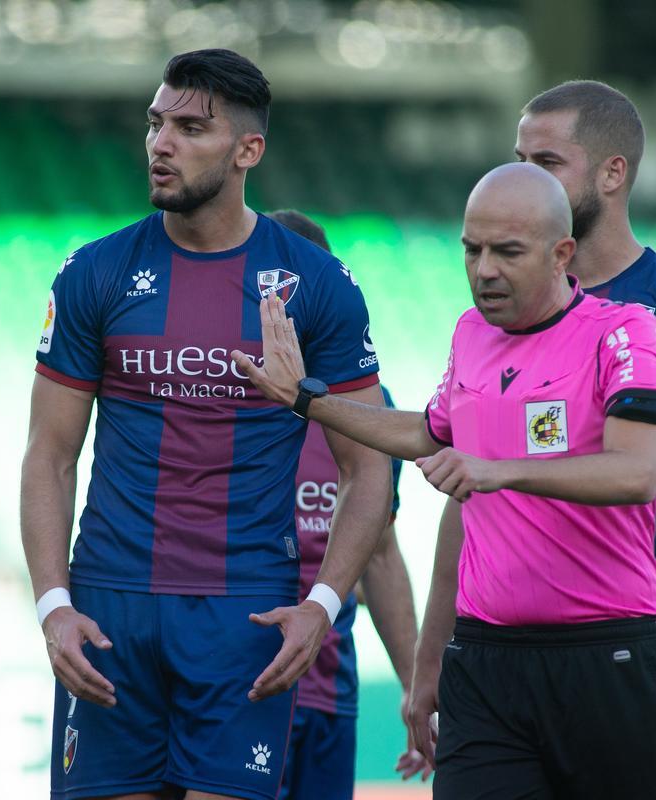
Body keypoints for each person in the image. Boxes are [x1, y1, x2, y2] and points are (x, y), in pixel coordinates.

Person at [234, 162, 656, 799]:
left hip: (606, 656)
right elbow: (428, 430)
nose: (484, 270)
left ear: (562, 254)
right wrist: (306, 399)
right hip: (485, 662)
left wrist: (494, 469)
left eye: (507, 252)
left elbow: (638, 473)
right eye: (471, 251)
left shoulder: (622, 330)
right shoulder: (471, 332)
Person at [20, 49, 394, 800]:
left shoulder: (316, 284)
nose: (161, 143)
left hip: (243, 612)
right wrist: (54, 606)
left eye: (191, 128)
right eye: (156, 123)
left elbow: (369, 469)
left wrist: (322, 606)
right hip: (110, 609)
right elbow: (48, 456)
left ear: (248, 150)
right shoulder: (93, 273)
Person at [405, 80, 656, 797]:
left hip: (639, 651)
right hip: (502, 656)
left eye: (547, 160)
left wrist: (654, 612)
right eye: (518, 157)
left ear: (612, 173)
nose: (525, 175)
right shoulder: (500, 310)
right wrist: (431, 654)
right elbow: (467, 491)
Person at [265, 209, 419, 800]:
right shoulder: (215, 398)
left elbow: (379, 553)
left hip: (330, 693)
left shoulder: (369, 408)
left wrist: (414, 688)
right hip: (236, 687)